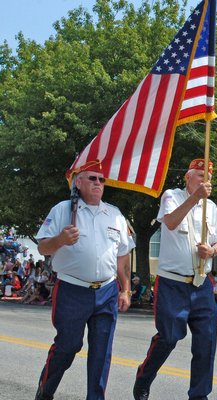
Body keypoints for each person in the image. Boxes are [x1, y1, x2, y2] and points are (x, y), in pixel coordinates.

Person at [34, 160, 134, 400]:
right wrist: (60, 240)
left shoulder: (115, 214)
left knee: (102, 353)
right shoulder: (63, 210)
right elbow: (43, 248)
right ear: (78, 182)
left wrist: (126, 289)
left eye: (102, 180)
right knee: (68, 347)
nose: (98, 183)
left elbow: (123, 256)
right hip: (72, 290)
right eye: (92, 178)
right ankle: (45, 392)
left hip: (107, 291)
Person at [134, 158, 217, 400]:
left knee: (206, 341)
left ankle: (199, 395)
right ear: (187, 177)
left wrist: (213, 251)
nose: (205, 181)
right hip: (172, 283)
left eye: (208, 177)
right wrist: (195, 198)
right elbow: (172, 222)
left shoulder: (212, 207)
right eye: (200, 175)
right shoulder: (171, 196)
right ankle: (144, 376)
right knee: (169, 337)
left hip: (200, 282)